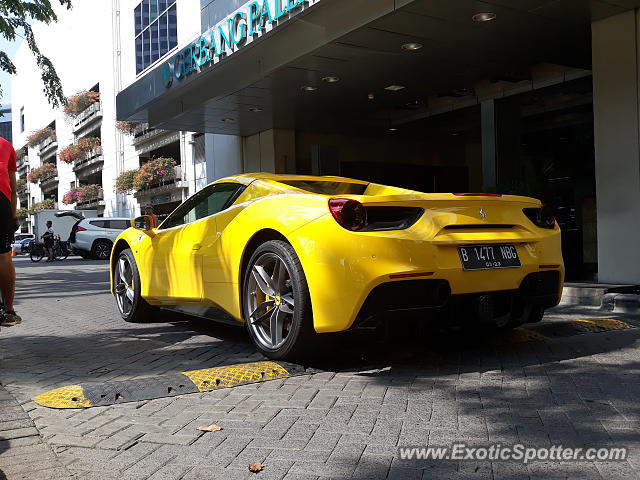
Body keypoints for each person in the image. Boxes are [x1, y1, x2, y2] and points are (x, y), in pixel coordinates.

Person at [0, 136, 22, 327]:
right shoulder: (5, 145)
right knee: (4, 256)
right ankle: (8, 310)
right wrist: (13, 217)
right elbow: (13, 189)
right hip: (1, 203)